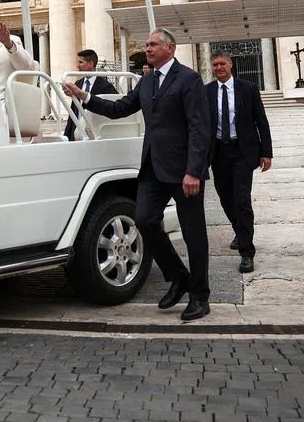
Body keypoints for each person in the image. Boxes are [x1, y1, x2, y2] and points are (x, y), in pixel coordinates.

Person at [63, 29, 212, 320]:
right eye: (146, 45)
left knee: (194, 235)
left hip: (184, 171)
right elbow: (120, 108)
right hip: (153, 168)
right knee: (143, 219)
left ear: (170, 48)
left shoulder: (189, 79)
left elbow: (199, 128)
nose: (148, 49)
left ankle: (199, 296)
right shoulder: (147, 80)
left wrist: (194, 171)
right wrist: (84, 96)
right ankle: (178, 275)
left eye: (153, 44)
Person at [206, 54, 272, 274]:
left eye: (222, 64)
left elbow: (261, 121)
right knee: (225, 198)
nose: (219, 67)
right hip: (218, 153)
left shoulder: (248, 89)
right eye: (215, 65)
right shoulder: (206, 92)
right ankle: (240, 231)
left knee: (241, 200)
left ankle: (246, 252)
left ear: (231, 65)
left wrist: (266, 153)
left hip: (243, 152)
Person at [64, 49, 116, 141]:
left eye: (81, 62)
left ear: (91, 64)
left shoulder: (106, 86)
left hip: (95, 135)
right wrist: (67, 135)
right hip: (77, 134)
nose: (78, 65)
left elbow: (113, 108)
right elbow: (74, 111)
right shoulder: (78, 83)